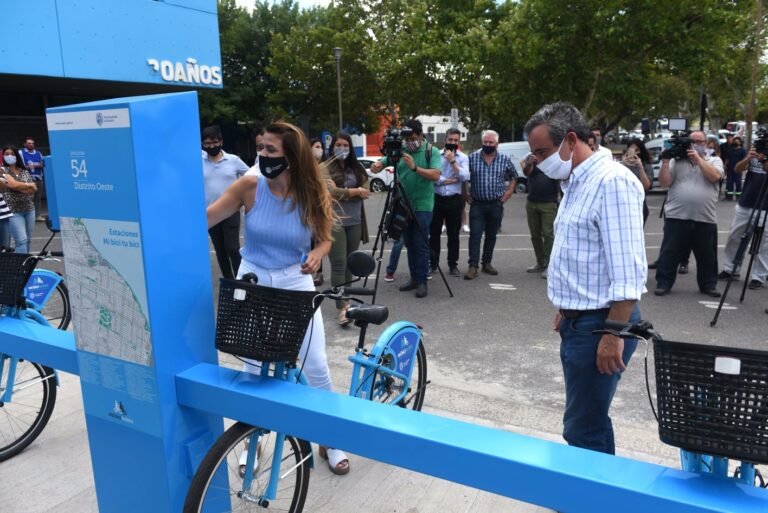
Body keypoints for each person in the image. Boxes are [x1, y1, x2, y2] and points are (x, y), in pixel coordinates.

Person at [206, 121, 349, 475]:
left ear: (293, 156)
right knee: (253, 369)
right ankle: (251, 443)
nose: (263, 156)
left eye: (271, 150)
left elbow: (325, 238)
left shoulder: (312, 191)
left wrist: (318, 253)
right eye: (261, 148)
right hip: (252, 280)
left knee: (314, 364)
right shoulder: (250, 186)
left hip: (294, 281)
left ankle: (330, 438)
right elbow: (205, 218)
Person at [525, 102, 646, 455]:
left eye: (542, 152)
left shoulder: (612, 182)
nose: (538, 162)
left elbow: (628, 273)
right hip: (580, 322)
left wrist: (613, 334)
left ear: (572, 139)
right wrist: (566, 306)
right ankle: (602, 496)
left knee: (580, 427)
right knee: (591, 419)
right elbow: (580, 254)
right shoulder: (575, 181)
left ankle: (590, 500)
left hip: (602, 326)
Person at [371, 119, 441, 298]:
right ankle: (414, 279)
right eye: (407, 138)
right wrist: (378, 164)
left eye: (412, 137)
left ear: (420, 135)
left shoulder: (430, 151)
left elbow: (435, 175)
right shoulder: (402, 151)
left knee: (421, 243)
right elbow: (386, 159)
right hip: (402, 204)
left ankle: (422, 281)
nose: (410, 141)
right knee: (409, 243)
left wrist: (415, 167)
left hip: (423, 205)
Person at [654, 131, 724, 297]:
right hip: (676, 215)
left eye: (699, 141)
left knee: (707, 254)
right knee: (669, 252)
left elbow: (714, 177)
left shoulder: (715, 160)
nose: (695, 144)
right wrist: (665, 162)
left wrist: (698, 159)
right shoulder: (676, 161)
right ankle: (663, 283)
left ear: (706, 143)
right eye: (692, 141)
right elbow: (665, 183)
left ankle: (708, 285)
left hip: (705, 217)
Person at [322, 132, 370, 324]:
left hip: (355, 221)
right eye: (338, 145)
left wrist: (345, 192)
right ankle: (341, 307)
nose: (342, 148)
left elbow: (366, 191)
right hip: (335, 221)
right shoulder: (323, 167)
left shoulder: (357, 168)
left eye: (345, 145)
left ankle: (347, 301)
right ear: (332, 147)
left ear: (350, 148)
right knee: (339, 264)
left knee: (351, 263)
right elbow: (329, 192)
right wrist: (355, 191)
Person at [464, 130, 517, 279]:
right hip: (477, 204)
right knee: (474, 235)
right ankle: (473, 266)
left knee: (491, 235)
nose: (487, 145)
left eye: (491, 143)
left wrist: (510, 191)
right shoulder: (472, 158)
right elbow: (463, 177)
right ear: (482, 142)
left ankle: (486, 263)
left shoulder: (504, 160)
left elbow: (514, 175)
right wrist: (465, 193)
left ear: (496, 144)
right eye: (485, 142)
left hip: (496, 204)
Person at [201, 125, 249, 280]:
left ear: (221, 141)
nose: (211, 146)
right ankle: (229, 282)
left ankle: (242, 280)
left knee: (232, 248)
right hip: (210, 212)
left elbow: (251, 176)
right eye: (207, 143)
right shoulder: (198, 161)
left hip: (231, 211)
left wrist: (243, 198)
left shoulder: (233, 160)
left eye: (214, 142)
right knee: (220, 251)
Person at [718, 146, 768, 290]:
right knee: (735, 236)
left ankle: (759, 276)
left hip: (765, 206)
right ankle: (730, 268)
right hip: (746, 202)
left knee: (764, 243)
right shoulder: (754, 151)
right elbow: (737, 169)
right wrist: (747, 158)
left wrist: (764, 159)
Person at [429, 128, 469, 277]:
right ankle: (433, 264)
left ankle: (453, 265)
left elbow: (464, 177)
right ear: (445, 140)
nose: (453, 143)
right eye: (450, 140)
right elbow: (433, 177)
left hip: (454, 200)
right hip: (436, 199)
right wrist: (446, 180)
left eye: (455, 140)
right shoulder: (435, 155)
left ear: (459, 142)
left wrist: (452, 161)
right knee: (434, 234)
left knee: (453, 235)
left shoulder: (463, 157)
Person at [520, 153, 559, 277]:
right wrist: (529, 163)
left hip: (548, 202)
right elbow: (526, 172)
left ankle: (550, 265)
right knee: (535, 234)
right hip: (532, 201)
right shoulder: (531, 157)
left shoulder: (555, 157)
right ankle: (540, 262)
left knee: (548, 234)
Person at [1, 144, 37, 254]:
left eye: (12, 154)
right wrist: (27, 185)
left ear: (17, 156)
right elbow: (12, 185)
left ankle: (26, 266)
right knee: (21, 240)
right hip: (13, 211)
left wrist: (22, 186)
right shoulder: (3, 170)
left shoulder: (24, 170)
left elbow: (34, 188)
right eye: (7, 154)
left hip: (29, 209)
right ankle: (19, 269)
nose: (10, 156)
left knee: (28, 240)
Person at [620, 138, 653, 224]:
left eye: (637, 150)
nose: (634, 153)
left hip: (640, 205)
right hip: (624, 204)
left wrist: (640, 167)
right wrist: (622, 165)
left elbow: (646, 186)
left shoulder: (646, 165)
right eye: (631, 150)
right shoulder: (621, 165)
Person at [20, 138, 44, 221]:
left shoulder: (38, 153)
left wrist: (35, 165)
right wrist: (28, 166)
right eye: (29, 143)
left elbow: (42, 164)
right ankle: (26, 215)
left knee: (38, 198)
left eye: (32, 143)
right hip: (27, 179)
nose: (31, 145)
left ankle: (37, 216)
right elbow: (20, 166)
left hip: (38, 178)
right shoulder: (21, 153)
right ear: (25, 144)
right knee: (28, 197)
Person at [723, 136, 746, 201]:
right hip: (730, 169)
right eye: (735, 141)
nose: (736, 142)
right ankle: (728, 197)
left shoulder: (743, 150)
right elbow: (727, 158)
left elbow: (744, 160)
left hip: (738, 170)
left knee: (738, 183)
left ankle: (738, 197)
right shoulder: (730, 150)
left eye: (738, 141)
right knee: (729, 183)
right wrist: (725, 165)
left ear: (740, 142)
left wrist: (743, 167)